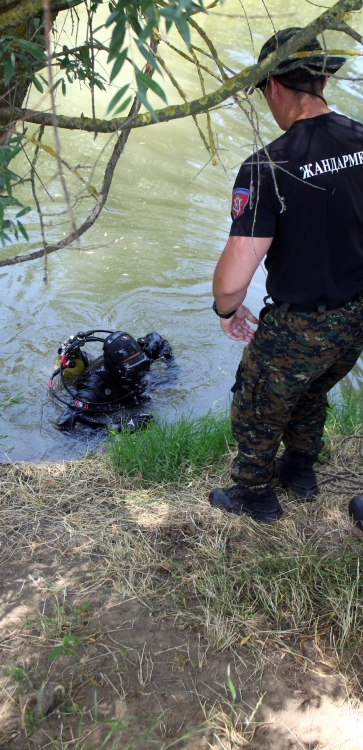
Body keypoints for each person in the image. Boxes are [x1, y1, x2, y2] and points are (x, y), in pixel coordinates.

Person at [209, 28, 363, 522]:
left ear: (273, 85)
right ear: (322, 81)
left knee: (257, 398)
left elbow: (235, 274)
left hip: (302, 320)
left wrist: (227, 310)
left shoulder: (269, 166)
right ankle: (300, 470)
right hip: (356, 315)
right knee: (312, 387)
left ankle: (254, 493)